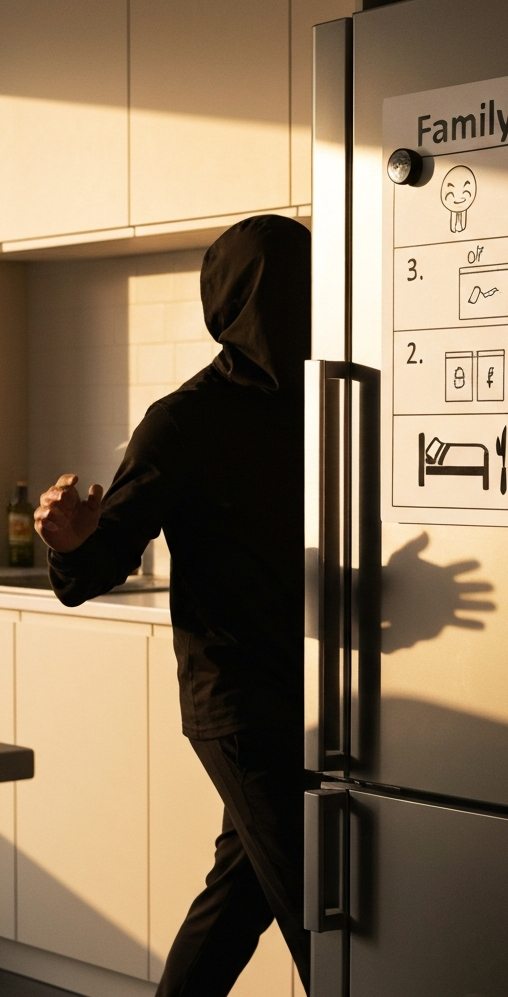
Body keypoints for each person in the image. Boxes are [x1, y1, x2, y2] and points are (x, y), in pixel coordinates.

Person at [34, 215, 312, 996]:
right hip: (237, 704)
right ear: (235, 302)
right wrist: (71, 540)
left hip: (314, 689)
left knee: (242, 893)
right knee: (323, 920)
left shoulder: (323, 402)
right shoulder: (183, 420)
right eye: (279, 289)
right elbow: (89, 570)